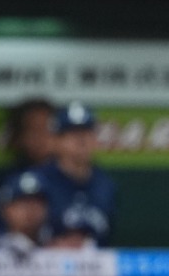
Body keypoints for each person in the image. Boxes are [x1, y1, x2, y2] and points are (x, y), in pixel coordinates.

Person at [33, 102, 116, 246]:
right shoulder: (37, 182)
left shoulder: (106, 186)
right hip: (46, 258)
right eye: (72, 133)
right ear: (55, 140)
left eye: (86, 133)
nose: (81, 140)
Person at [0, 170, 50, 253]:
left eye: (37, 203)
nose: (30, 209)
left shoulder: (54, 239)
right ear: (4, 208)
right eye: (22, 203)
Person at [1, 96, 55, 172]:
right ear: (19, 137)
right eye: (33, 131)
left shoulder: (70, 174)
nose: (41, 138)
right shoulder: (9, 176)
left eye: (48, 130)